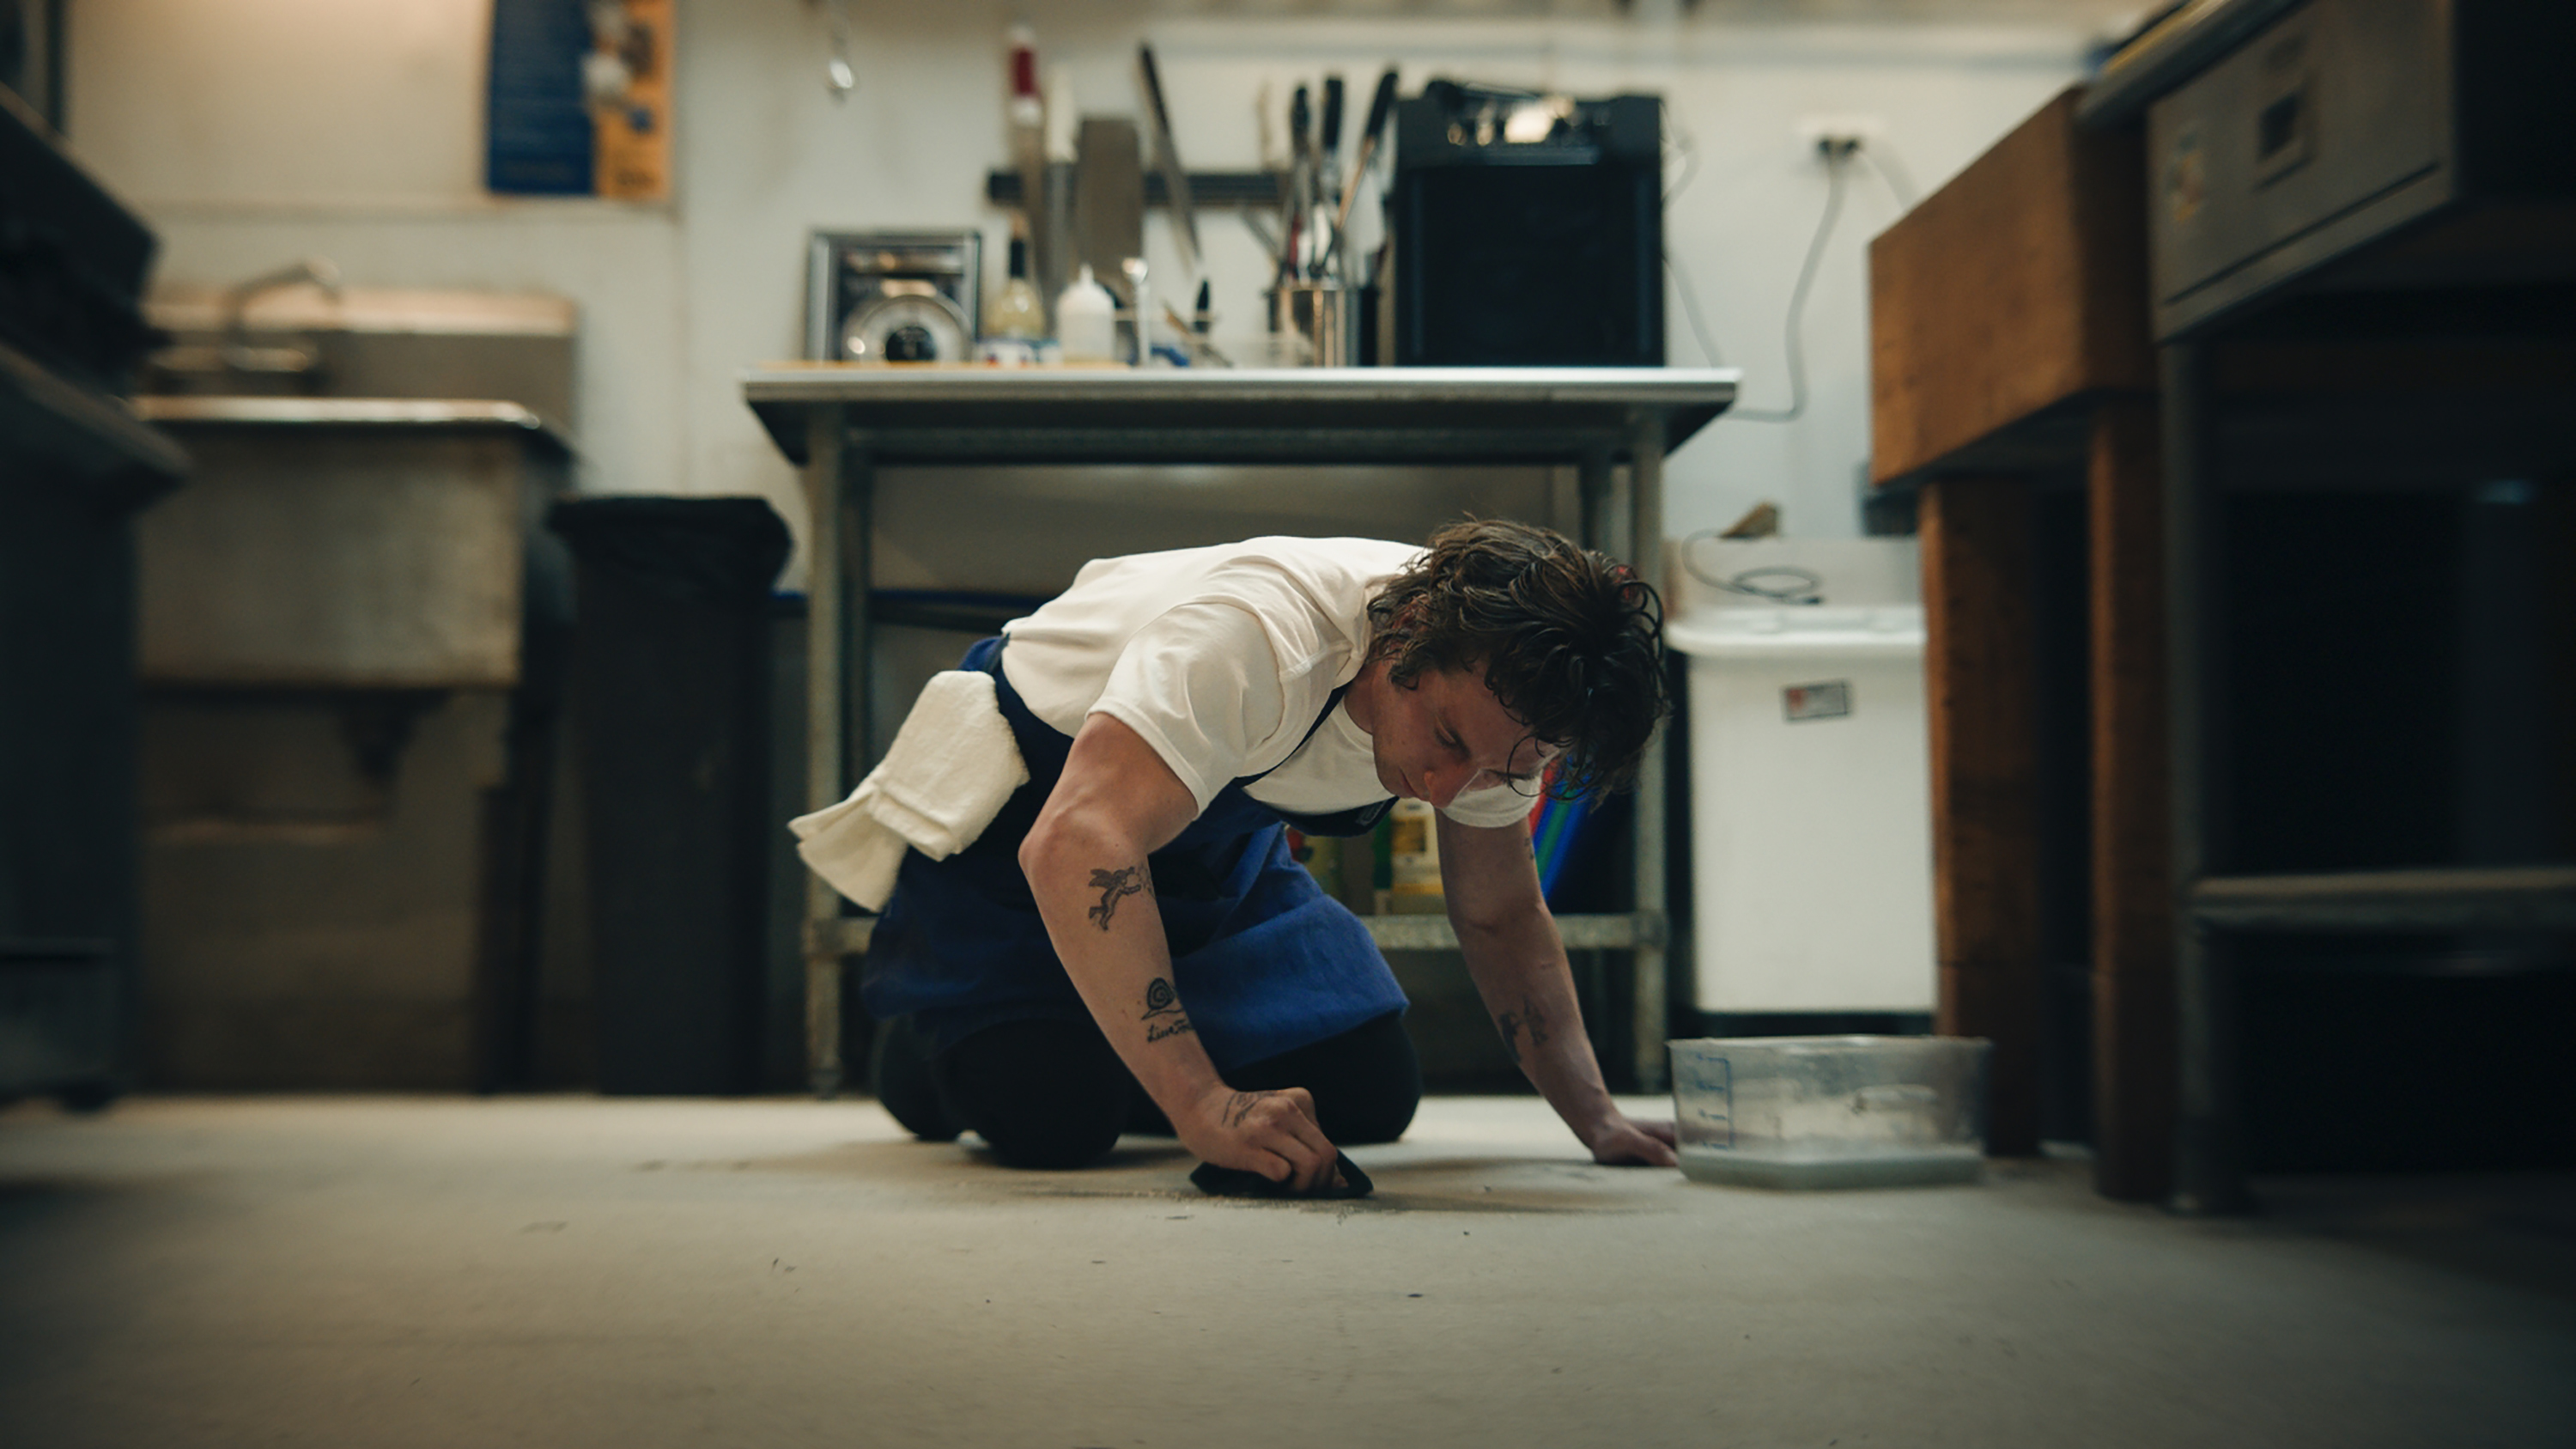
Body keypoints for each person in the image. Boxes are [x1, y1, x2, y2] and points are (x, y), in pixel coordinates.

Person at [841, 519, 1679, 1193]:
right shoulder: (1259, 635)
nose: (1449, 790)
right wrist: (1203, 1104)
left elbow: (1500, 913)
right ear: (1407, 633)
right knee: (1056, 1119)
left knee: (1371, 1091)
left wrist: (1597, 1117)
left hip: (1209, 848)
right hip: (1040, 824)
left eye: (1501, 772)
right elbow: (1075, 840)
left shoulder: (1511, 704)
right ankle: (930, 1034)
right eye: (1447, 739)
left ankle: (1114, 1033)